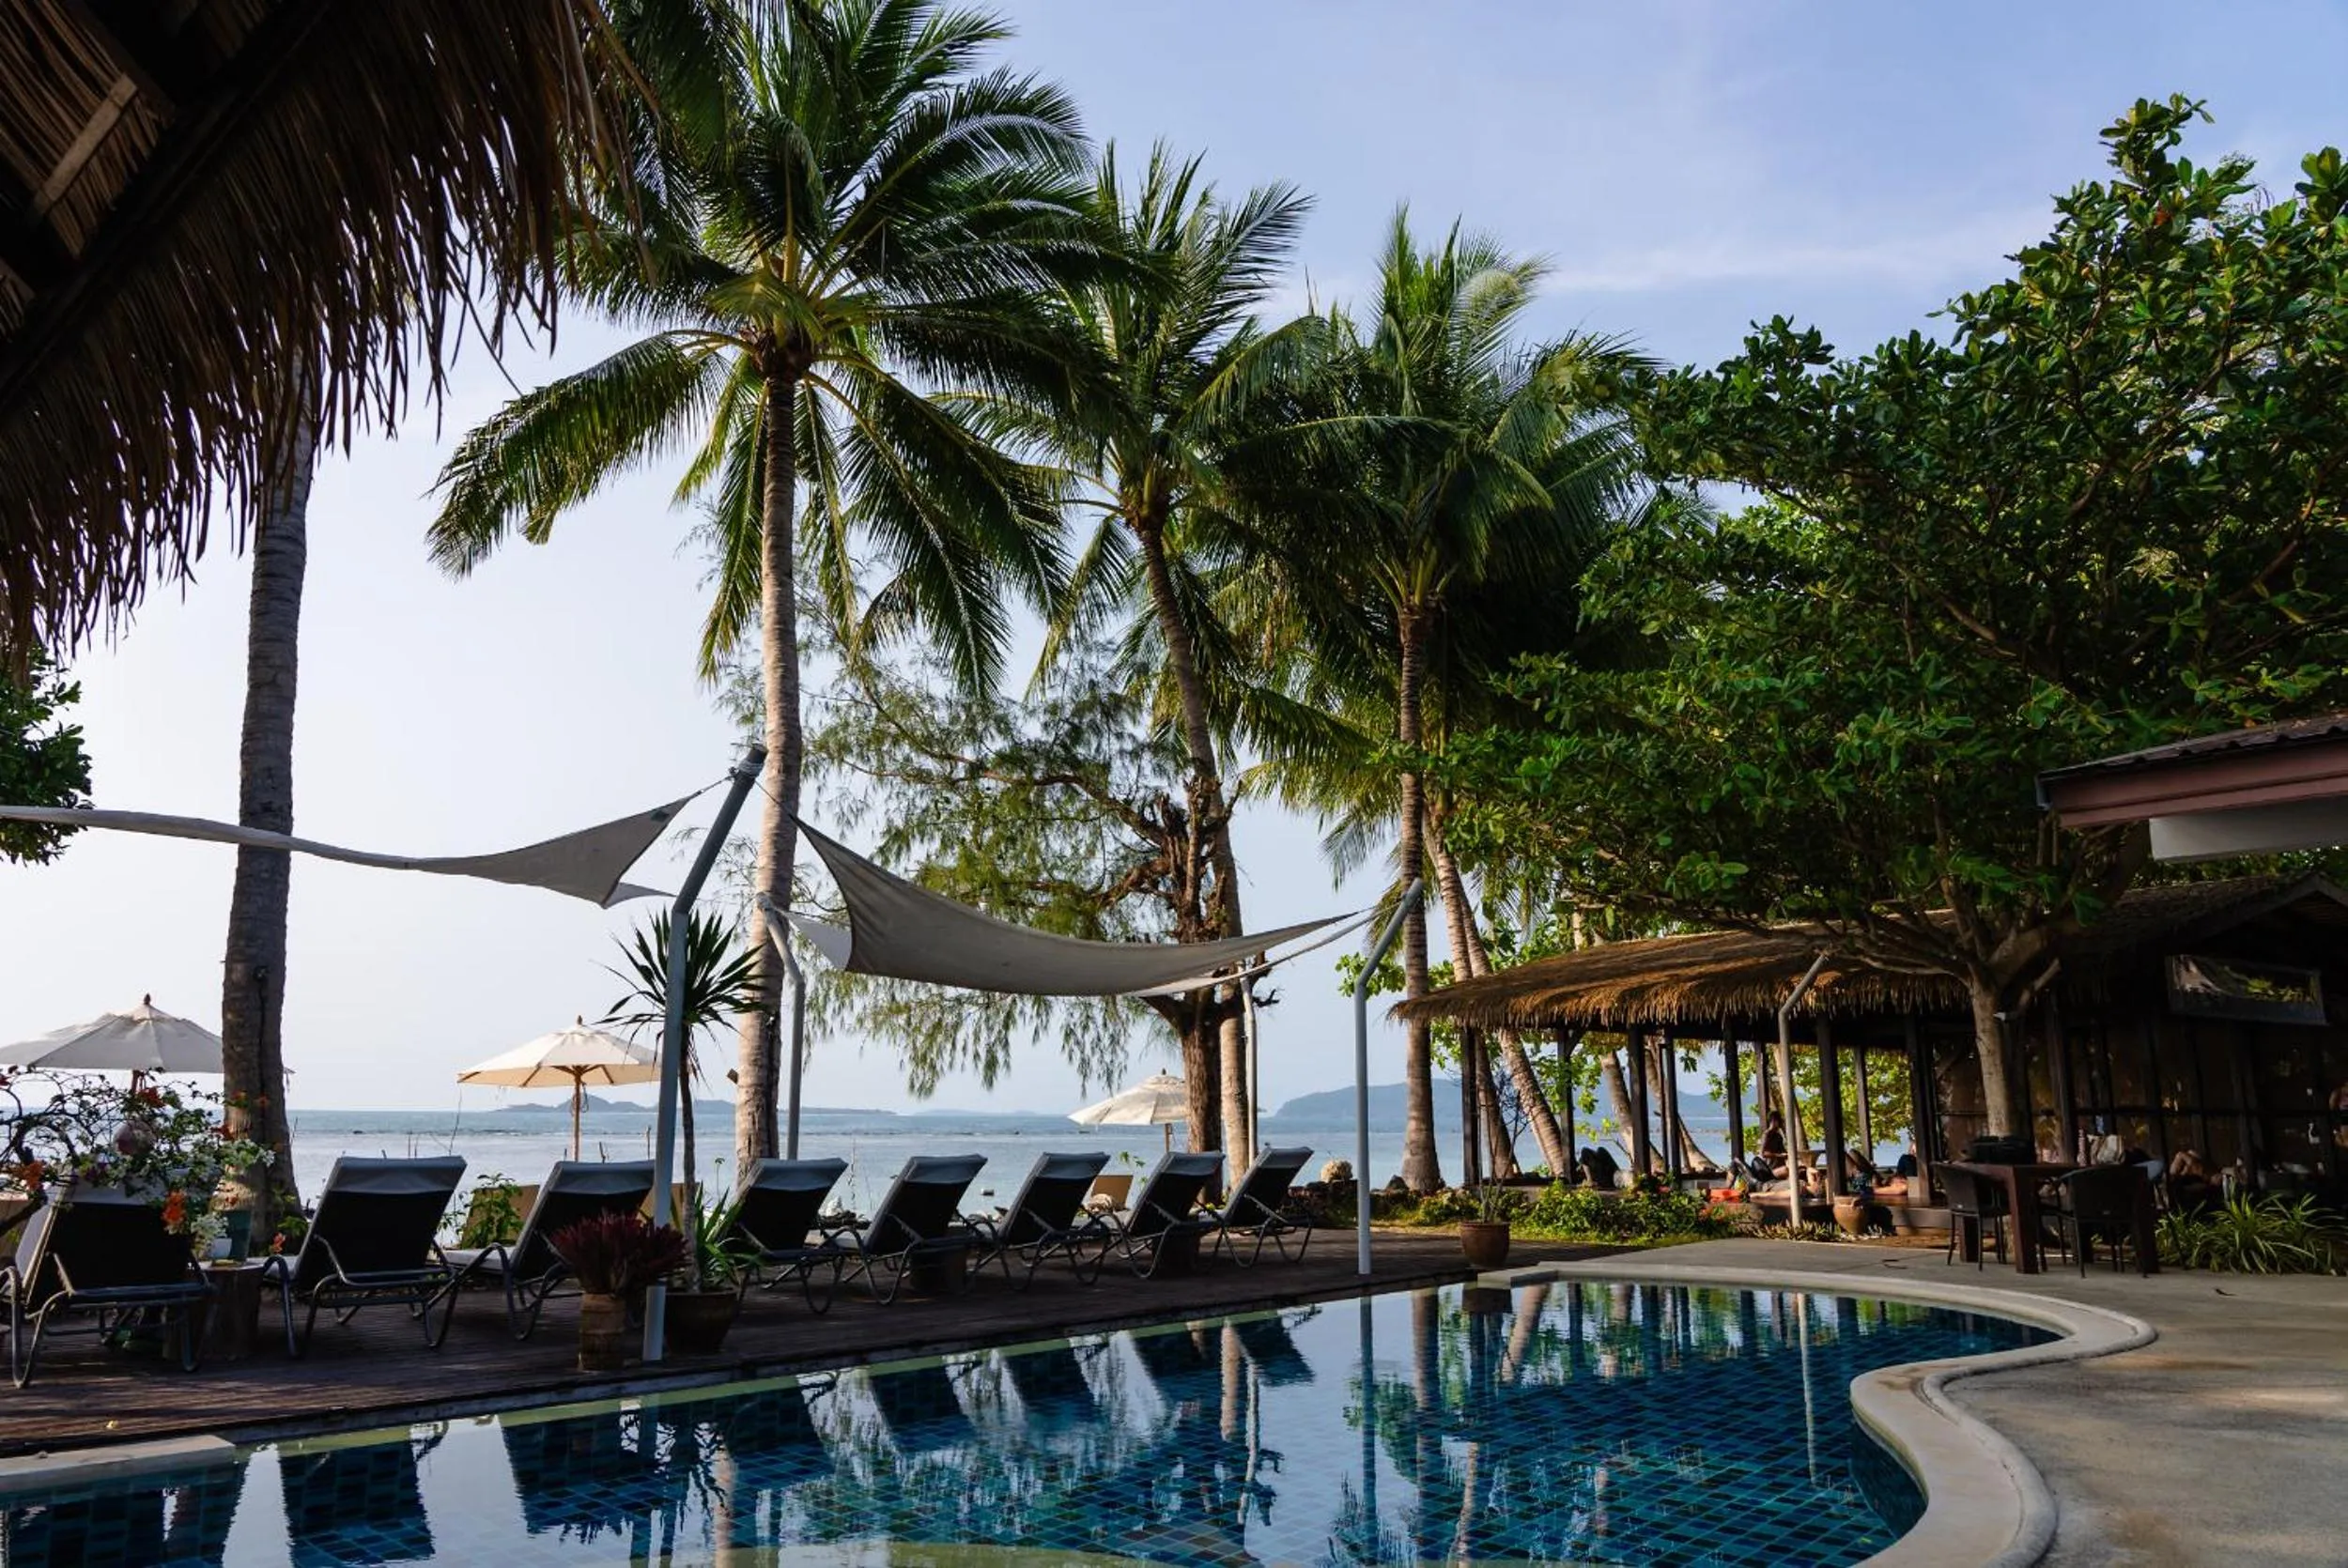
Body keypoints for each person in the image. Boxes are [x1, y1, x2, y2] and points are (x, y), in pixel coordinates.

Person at [1759, 1112, 1790, 1178]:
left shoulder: (1778, 1136)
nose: (1780, 1124)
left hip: (1780, 1166)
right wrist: (1779, 1155)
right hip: (1772, 1170)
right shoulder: (1766, 1135)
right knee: (1786, 1170)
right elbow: (1763, 1153)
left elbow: (1783, 1152)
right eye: (1779, 1121)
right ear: (1774, 1121)